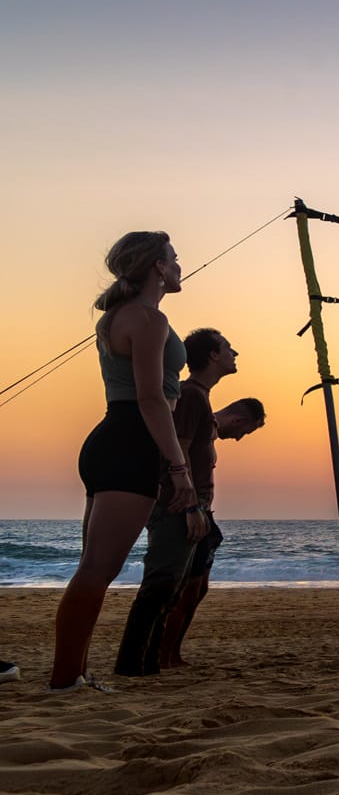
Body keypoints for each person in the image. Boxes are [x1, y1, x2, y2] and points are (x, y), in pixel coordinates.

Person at [50, 232, 199, 693]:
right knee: (97, 569)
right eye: (173, 257)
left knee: (91, 567)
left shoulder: (118, 315)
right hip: (133, 440)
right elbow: (153, 399)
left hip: (110, 438)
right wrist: (180, 470)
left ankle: (71, 675)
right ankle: (65, 679)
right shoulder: (149, 319)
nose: (179, 264)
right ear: (157, 265)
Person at [113, 328, 246, 675]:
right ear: (213, 356)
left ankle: (148, 664)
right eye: (229, 348)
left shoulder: (199, 396)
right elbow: (177, 450)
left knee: (170, 590)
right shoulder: (191, 395)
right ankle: (131, 666)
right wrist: (189, 506)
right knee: (160, 586)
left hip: (191, 505)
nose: (236, 354)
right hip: (177, 505)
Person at [157, 397, 267, 666]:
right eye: (245, 431)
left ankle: (173, 652)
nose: (240, 438)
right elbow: (178, 465)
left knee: (198, 590)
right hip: (189, 511)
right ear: (239, 420)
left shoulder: (209, 434)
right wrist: (191, 509)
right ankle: (163, 654)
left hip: (203, 513)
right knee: (184, 591)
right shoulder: (200, 424)